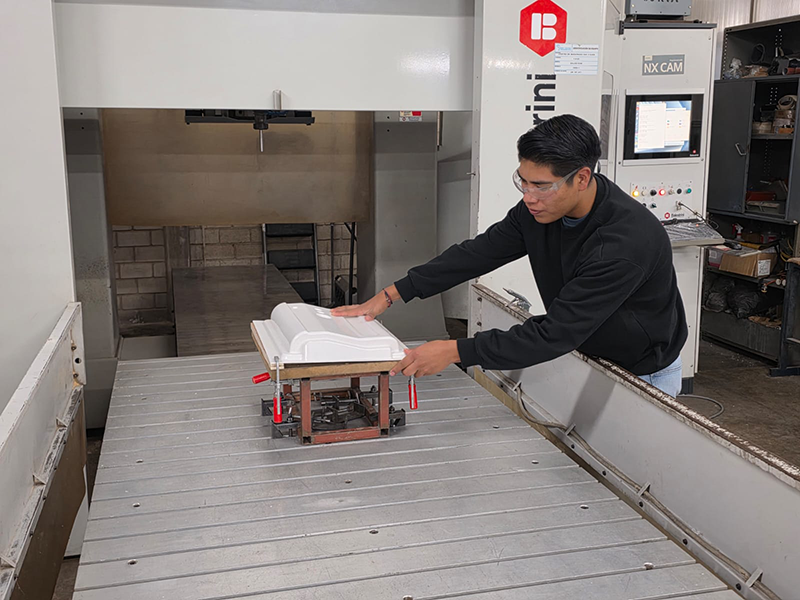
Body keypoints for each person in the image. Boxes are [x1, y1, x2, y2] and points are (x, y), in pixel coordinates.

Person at [332, 114, 687, 397]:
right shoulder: (541, 211)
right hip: (589, 352)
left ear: (581, 178)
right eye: (523, 181)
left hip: (642, 372)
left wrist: (455, 351)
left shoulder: (622, 244)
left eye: (541, 186)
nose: (529, 196)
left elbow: (555, 333)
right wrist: (391, 294)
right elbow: (477, 254)